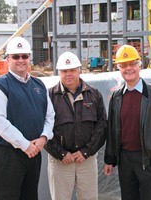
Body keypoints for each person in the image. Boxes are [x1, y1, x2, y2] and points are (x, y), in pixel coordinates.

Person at [0, 36, 55, 200]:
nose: (21, 60)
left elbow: (50, 115)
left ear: (30, 58)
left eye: (24, 56)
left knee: (30, 196)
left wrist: (44, 138)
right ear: (8, 59)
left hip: (33, 151)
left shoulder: (38, 85)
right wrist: (25, 145)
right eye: (16, 56)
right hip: (8, 154)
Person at [104, 44, 151, 200]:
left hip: (148, 161)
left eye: (132, 64)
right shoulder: (116, 97)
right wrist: (109, 159)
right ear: (119, 69)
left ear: (140, 65)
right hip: (125, 160)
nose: (128, 69)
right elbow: (112, 131)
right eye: (123, 65)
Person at [45, 51, 107, 200]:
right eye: (64, 71)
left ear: (79, 70)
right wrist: (60, 153)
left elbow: (102, 126)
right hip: (60, 161)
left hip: (86, 160)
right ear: (59, 72)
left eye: (72, 70)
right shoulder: (48, 96)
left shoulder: (94, 94)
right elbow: (43, 129)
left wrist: (86, 151)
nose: (69, 74)